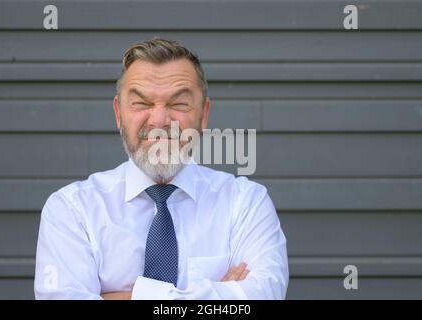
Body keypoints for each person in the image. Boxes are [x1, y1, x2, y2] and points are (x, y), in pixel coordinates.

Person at [34, 38, 288, 299]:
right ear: (119, 114)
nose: (159, 121)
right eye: (141, 103)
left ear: (204, 115)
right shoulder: (72, 210)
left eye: (178, 104)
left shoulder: (246, 203)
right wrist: (220, 294)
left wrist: (125, 296)